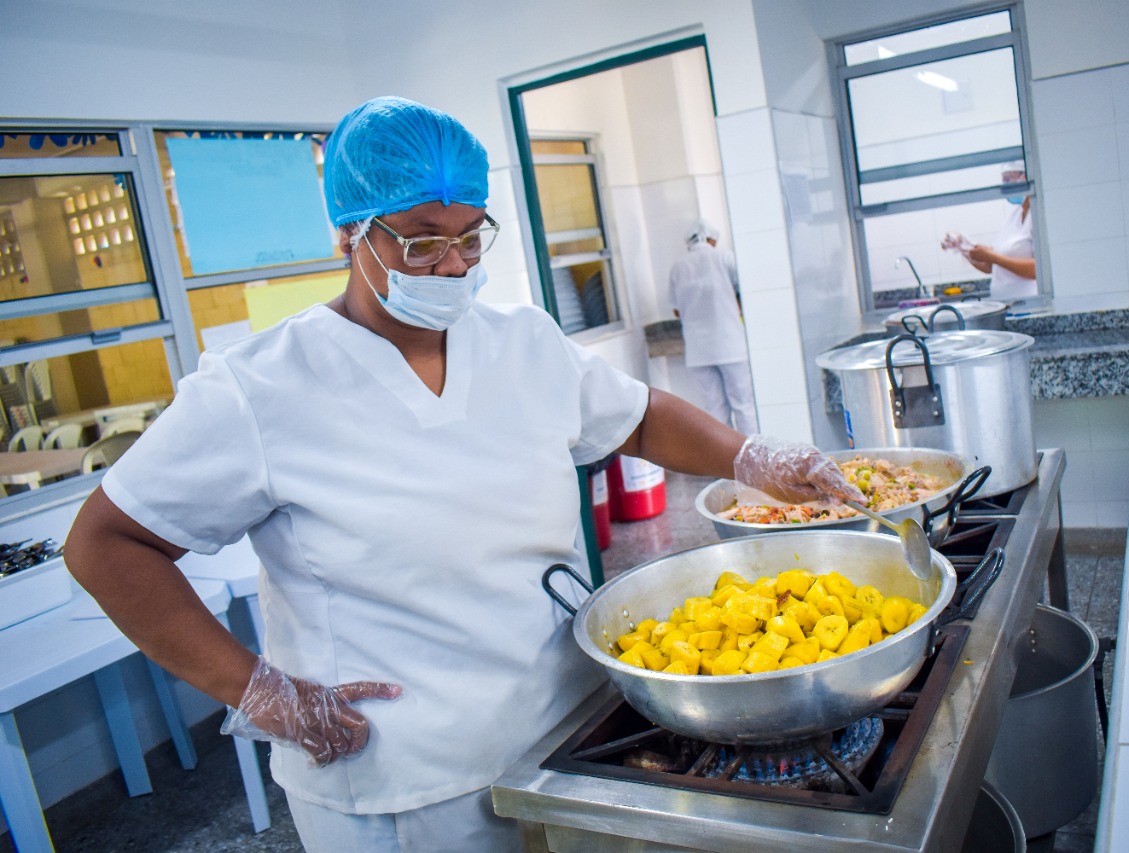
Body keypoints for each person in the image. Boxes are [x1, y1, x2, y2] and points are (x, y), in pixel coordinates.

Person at [62, 96, 865, 853]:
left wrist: (751, 456)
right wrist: (262, 691)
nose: (450, 265)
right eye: (420, 239)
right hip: (401, 780)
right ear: (350, 233)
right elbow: (106, 543)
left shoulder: (519, 341)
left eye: (470, 236)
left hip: (563, 730)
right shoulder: (261, 386)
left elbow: (638, 414)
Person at [668, 218, 758, 434]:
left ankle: (724, 465)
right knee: (744, 406)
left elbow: (676, 310)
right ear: (711, 239)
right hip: (730, 346)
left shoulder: (677, 268)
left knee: (714, 411)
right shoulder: (724, 257)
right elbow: (746, 290)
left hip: (699, 351)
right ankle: (752, 462)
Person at [942, 160, 1036, 302]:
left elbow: (1036, 270)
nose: (1005, 185)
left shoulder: (1036, 217)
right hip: (1006, 303)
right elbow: (990, 267)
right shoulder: (1013, 217)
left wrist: (993, 257)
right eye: (1003, 180)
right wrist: (963, 246)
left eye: (1009, 179)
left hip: (1029, 303)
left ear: (1026, 177)